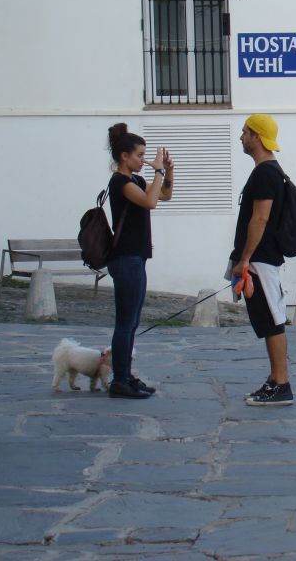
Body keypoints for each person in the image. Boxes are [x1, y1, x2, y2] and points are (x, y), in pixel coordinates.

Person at [106, 123, 174, 399]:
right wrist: (157, 171)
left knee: (132, 321)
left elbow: (164, 195)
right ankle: (119, 380)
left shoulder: (136, 181)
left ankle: (126, 375)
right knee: (125, 321)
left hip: (137, 258)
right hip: (125, 258)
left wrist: (168, 171)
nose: (144, 160)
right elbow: (150, 202)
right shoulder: (120, 183)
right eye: (139, 155)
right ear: (124, 156)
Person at [230, 114, 293, 406]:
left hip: (261, 259)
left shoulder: (265, 173)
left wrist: (244, 259)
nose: (241, 137)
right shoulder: (267, 171)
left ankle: (281, 384)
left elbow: (260, 217)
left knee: (272, 320)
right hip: (261, 258)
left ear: (257, 136)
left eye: (245, 132)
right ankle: (274, 379)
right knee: (268, 319)